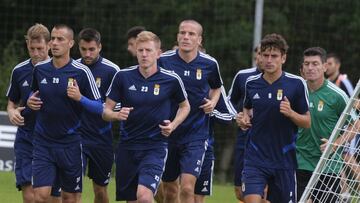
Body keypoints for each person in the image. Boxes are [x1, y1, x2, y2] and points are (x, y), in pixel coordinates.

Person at [102, 31, 190, 203]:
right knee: (132, 199)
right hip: (127, 147)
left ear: (158, 53)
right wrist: (116, 115)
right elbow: (105, 112)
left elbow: (185, 106)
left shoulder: (171, 79)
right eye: (140, 50)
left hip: (155, 147)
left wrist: (173, 125)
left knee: (144, 196)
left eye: (148, 50)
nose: (144, 54)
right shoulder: (122, 76)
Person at [27, 24, 102, 203]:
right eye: (52, 38)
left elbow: (100, 107)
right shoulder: (40, 69)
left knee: (70, 198)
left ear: (70, 43)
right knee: (39, 197)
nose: (54, 42)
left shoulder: (82, 72)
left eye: (60, 39)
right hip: (43, 142)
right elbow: (33, 92)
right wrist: (30, 101)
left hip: (70, 144)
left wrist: (80, 98)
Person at [238, 33, 311, 203]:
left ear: (283, 58)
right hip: (255, 157)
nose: (269, 60)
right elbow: (247, 109)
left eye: (274, 56)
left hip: (284, 161)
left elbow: (307, 122)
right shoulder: (251, 83)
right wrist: (242, 120)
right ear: (260, 57)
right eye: (265, 55)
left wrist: (291, 113)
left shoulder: (297, 84)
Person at [158, 19, 223, 203]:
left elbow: (217, 87)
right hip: (168, 132)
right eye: (182, 32)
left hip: (196, 134)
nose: (185, 37)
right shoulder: (163, 60)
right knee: (170, 189)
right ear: (177, 36)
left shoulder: (210, 64)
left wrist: (213, 102)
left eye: (191, 34)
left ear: (199, 40)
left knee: (187, 188)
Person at [6, 23, 61, 203]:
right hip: (27, 139)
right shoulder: (19, 71)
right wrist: (12, 112)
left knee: (54, 197)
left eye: (40, 48)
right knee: (30, 196)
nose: (36, 53)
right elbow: (11, 103)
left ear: (49, 46)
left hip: (55, 139)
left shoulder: (63, 69)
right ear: (27, 45)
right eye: (32, 48)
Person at [296, 47, 349, 202]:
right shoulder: (297, 90)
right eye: (307, 64)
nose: (310, 68)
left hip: (328, 165)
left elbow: (356, 125)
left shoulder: (338, 95)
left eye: (315, 64)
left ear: (325, 67)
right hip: (300, 161)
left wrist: (334, 144)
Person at [76, 28, 120, 203]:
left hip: (102, 139)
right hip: (76, 137)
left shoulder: (112, 70)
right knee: (72, 190)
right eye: (83, 49)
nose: (87, 53)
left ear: (99, 47)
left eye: (91, 49)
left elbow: (118, 108)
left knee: (101, 191)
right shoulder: (73, 68)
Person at [228, 45, 262, 202]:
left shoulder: (286, 81)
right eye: (261, 54)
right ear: (256, 56)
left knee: (264, 191)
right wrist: (238, 116)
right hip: (245, 139)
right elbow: (228, 102)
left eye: (271, 54)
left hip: (270, 143)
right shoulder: (243, 76)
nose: (264, 58)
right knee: (240, 192)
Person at [194, 86, 236, 203]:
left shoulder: (214, 84)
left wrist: (211, 109)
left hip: (205, 148)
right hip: (176, 145)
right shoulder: (174, 77)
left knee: (196, 197)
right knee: (173, 192)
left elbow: (229, 116)